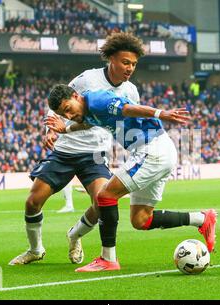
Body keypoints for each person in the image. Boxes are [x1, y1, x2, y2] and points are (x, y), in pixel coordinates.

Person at [45, 84, 217, 272]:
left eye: (68, 110)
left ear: (76, 96)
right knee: (141, 220)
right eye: (64, 115)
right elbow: (89, 122)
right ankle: (202, 219)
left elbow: (127, 109)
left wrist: (161, 113)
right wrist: (66, 130)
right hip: (159, 150)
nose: (69, 117)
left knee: (105, 196)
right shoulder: (86, 109)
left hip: (151, 150)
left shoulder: (97, 100)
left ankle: (108, 259)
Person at [8, 32, 145, 266]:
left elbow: (130, 125)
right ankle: (35, 249)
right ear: (111, 59)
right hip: (65, 150)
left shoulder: (131, 91)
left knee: (102, 204)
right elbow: (57, 102)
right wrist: (51, 130)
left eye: (133, 64)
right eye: (125, 62)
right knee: (32, 201)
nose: (130, 68)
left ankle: (75, 235)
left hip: (94, 154)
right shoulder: (87, 79)